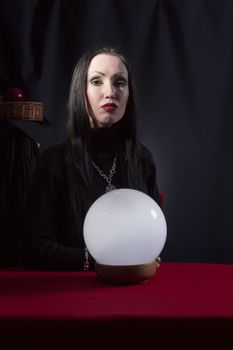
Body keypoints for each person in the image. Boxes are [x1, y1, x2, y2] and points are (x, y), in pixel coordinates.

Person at [24, 46, 160, 271]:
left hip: (131, 292)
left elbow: (152, 236)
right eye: (97, 81)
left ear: (128, 95)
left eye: (119, 82)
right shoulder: (53, 162)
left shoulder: (142, 158)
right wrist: (100, 262)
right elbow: (37, 248)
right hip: (69, 295)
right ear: (81, 91)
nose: (110, 92)